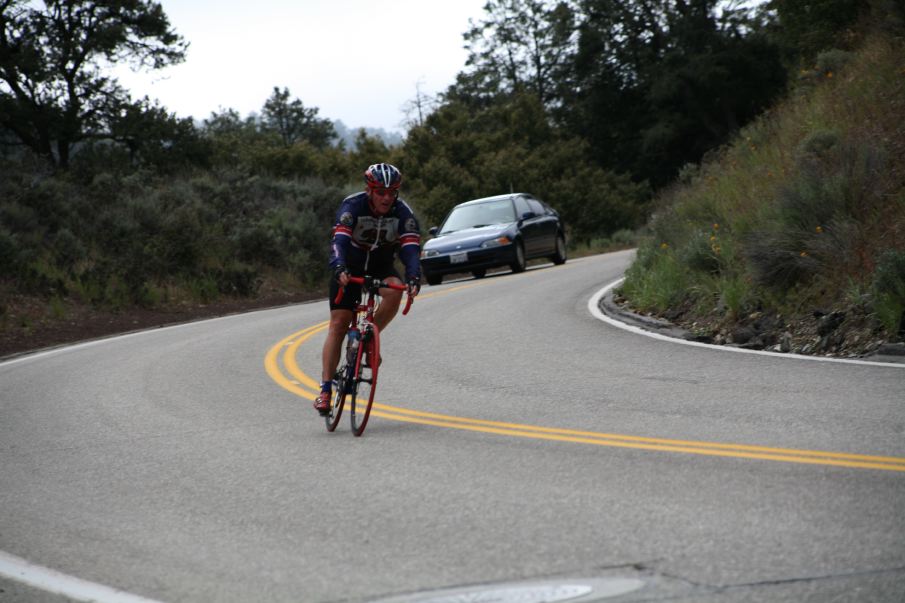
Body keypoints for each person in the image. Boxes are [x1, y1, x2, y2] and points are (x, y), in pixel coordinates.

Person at [314, 163, 422, 415]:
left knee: (396, 289)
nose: (386, 198)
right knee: (339, 324)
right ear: (369, 190)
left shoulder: (403, 212)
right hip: (349, 267)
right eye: (380, 192)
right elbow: (339, 240)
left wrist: (414, 275)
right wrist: (339, 266)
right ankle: (326, 389)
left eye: (391, 192)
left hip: (380, 265)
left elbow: (410, 248)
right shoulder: (353, 206)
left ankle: (369, 339)